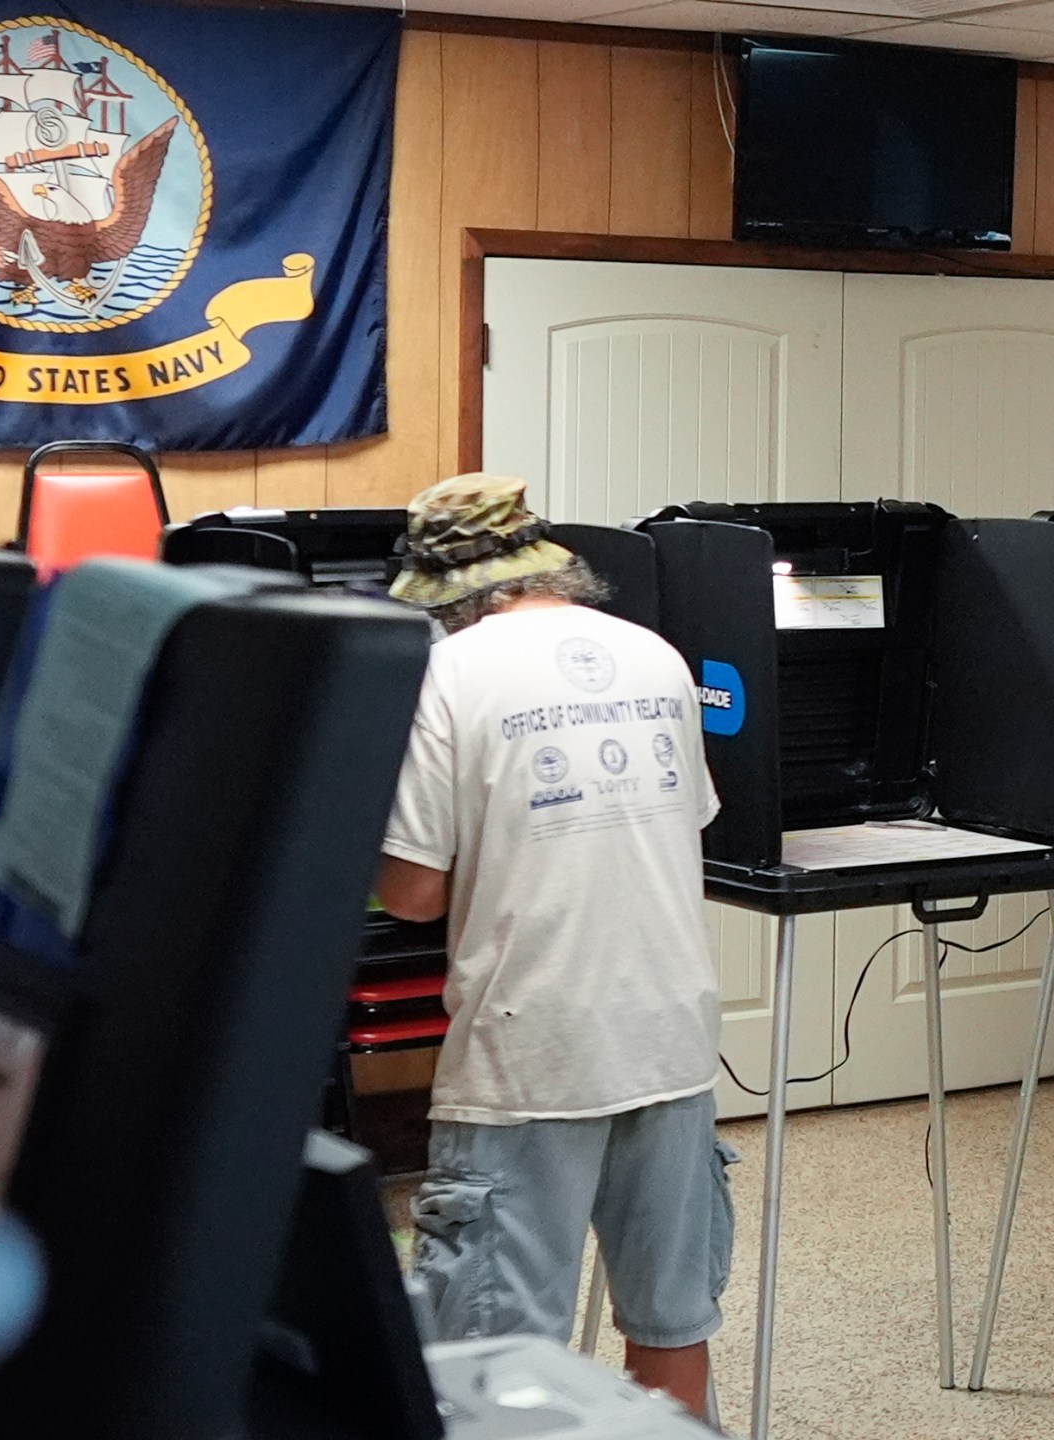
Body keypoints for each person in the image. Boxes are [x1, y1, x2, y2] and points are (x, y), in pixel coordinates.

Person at [376, 475, 731, 1417]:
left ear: (451, 595)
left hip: (529, 1054)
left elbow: (412, 893)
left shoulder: (447, 674)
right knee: (670, 1325)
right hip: (674, 1037)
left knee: (501, 1362)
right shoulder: (655, 655)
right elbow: (678, 823)